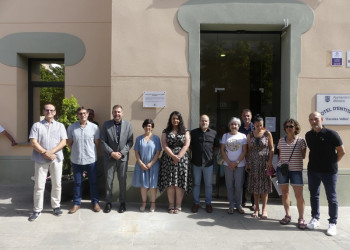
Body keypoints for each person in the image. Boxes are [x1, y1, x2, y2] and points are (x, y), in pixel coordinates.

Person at [305, 112, 345, 236]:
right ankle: (315, 218)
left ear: (321, 119)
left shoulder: (332, 134)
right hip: (313, 170)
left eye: (316, 119)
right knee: (314, 195)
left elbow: (341, 151)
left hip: (329, 172)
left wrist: (332, 163)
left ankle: (332, 223)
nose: (314, 121)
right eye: (311, 119)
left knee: (331, 198)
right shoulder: (308, 135)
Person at [28, 104, 67, 221]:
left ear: (55, 112)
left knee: (57, 184)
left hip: (56, 158)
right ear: (43, 111)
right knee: (39, 185)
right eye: (47, 110)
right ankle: (37, 209)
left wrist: (51, 152)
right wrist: (45, 152)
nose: (49, 112)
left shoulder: (60, 126)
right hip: (40, 159)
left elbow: (63, 142)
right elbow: (33, 142)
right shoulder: (36, 125)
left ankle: (56, 206)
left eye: (51, 110)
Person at [67, 107, 101, 214]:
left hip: (91, 159)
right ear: (77, 115)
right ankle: (77, 203)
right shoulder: (72, 127)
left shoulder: (94, 127)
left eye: (84, 113)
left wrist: (91, 152)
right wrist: (75, 152)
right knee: (77, 183)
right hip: (76, 159)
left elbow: (97, 143)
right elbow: (69, 143)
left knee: (93, 182)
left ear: (87, 114)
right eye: (80, 114)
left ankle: (95, 203)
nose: (82, 115)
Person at [101, 105, 133, 213]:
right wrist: (111, 153)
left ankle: (122, 203)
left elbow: (130, 141)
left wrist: (122, 153)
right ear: (112, 113)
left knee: (122, 181)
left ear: (122, 113)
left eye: (119, 112)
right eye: (115, 112)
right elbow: (103, 141)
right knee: (108, 181)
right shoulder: (106, 125)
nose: (117, 114)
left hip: (122, 158)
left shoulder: (128, 125)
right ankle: (108, 203)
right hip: (109, 157)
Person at [158, 111, 192, 214]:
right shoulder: (165, 131)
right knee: (170, 184)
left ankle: (178, 205)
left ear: (180, 120)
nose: (175, 120)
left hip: (182, 160)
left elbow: (186, 145)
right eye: (173, 118)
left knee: (179, 184)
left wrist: (179, 156)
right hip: (168, 159)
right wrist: (173, 156)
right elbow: (164, 145)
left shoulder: (185, 131)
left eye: (177, 118)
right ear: (170, 120)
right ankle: (171, 205)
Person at [277, 119, 307, 229]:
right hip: (283, 170)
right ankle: (288, 215)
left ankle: (301, 218)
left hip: (296, 171)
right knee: (285, 193)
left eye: (291, 126)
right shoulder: (281, 141)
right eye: (287, 126)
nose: (289, 128)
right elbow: (280, 156)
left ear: (295, 128)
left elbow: (303, 156)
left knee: (299, 195)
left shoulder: (301, 141)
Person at [246, 115, 274, 219]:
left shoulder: (267, 134)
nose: (259, 127)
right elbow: (248, 150)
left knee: (265, 187)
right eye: (257, 125)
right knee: (255, 187)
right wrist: (247, 163)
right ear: (253, 125)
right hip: (254, 164)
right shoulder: (250, 135)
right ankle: (256, 208)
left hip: (265, 163)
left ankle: (264, 209)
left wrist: (270, 161)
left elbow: (271, 148)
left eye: (261, 125)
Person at [190, 114, 219, 213]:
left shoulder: (213, 133)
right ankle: (196, 203)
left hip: (208, 164)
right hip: (196, 163)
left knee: (208, 185)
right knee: (196, 184)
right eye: (202, 121)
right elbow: (190, 146)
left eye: (206, 121)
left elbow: (216, 147)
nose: (204, 123)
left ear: (209, 122)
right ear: (199, 122)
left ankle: (208, 203)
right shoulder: (193, 133)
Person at [132, 119, 161, 212]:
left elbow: (158, 152)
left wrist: (151, 163)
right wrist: (141, 164)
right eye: (146, 125)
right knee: (143, 186)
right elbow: (136, 152)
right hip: (142, 165)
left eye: (149, 126)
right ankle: (144, 203)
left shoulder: (156, 139)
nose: (148, 127)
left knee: (153, 186)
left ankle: (153, 204)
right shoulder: (139, 139)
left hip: (153, 165)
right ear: (143, 127)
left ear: (152, 127)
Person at [220, 117, 247, 214]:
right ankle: (231, 205)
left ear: (239, 126)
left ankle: (238, 205)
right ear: (229, 126)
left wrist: (236, 163)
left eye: (236, 124)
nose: (234, 126)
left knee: (238, 185)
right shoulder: (225, 136)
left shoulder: (243, 136)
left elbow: (244, 151)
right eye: (232, 124)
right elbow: (222, 150)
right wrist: (229, 162)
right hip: (227, 165)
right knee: (229, 185)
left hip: (239, 165)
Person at [238, 109, 254, 210]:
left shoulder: (256, 128)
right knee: (242, 181)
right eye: (244, 116)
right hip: (242, 159)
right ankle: (242, 201)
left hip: (253, 159)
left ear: (251, 116)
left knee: (252, 181)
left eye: (248, 116)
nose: (246, 117)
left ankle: (254, 203)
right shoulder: (239, 129)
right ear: (241, 117)